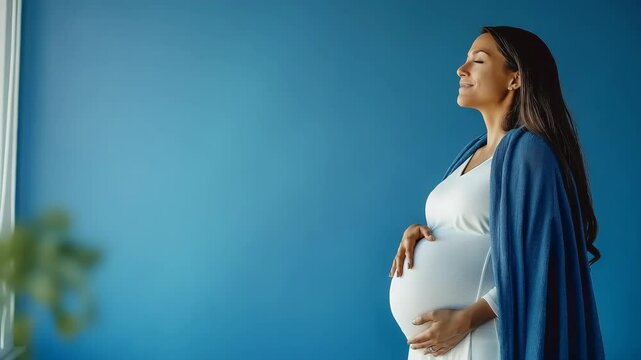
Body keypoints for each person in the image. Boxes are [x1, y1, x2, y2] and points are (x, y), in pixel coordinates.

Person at [388, 26, 605, 359]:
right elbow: (472, 228)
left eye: (478, 60)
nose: (462, 69)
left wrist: (466, 319)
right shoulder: (470, 154)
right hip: (436, 346)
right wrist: (423, 232)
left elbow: (545, 263)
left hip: (481, 337)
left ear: (514, 79)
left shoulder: (530, 152)